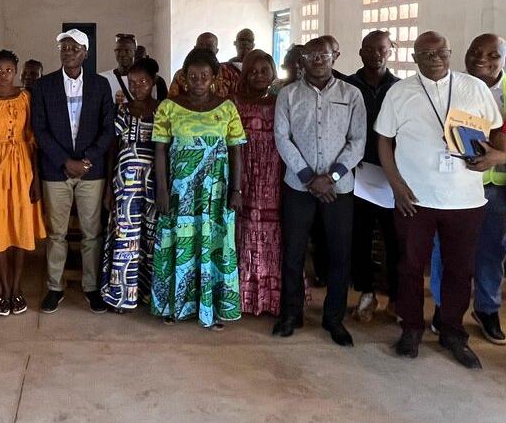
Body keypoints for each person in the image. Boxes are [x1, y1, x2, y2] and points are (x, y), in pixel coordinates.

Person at [376, 31, 506, 369]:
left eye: (442, 51)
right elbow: (384, 141)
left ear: (450, 53)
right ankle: (411, 328)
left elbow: (498, 130)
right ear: (415, 56)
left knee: (460, 270)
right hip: (414, 198)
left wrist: (496, 156)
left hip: (465, 199)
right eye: (427, 52)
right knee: (409, 267)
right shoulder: (400, 92)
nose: (435, 57)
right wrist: (396, 184)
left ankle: (452, 331)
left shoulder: (474, 88)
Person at [428, 34, 506, 344]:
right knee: (446, 249)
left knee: (493, 250)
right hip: (455, 183)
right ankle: (445, 307)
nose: (482, 59)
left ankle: (487, 308)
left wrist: (500, 156)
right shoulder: (449, 86)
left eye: (493, 54)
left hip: (497, 186)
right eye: (475, 52)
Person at [272, 37, 366, 346]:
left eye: (323, 55)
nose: (317, 60)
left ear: (335, 56)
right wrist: (309, 177)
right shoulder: (287, 95)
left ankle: (333, 318)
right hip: (299, 186)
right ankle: (290, 314)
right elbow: (282, 138)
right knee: (293, 252)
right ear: (301, 59)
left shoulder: (351, 95)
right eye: (311, 55)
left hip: (339, 189)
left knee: (340, 254)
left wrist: (332, 176)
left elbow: (357, 141)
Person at [151, 48, 246, 329]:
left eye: (204, 75)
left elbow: (236, 151)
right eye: (193, 76)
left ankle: (213, 308)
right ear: (184, 76)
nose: (198, 81)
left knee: (213, 246)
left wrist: (236, 190)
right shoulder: (168, 107)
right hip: (180, 192)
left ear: (214, 77)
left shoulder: (227, 107)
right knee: (177, 246)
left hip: (215, 193)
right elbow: (160, 151)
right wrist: (162, 190)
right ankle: (173, 305)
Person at [31, 29, 116, 314]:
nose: (68, 51)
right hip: (56, 171)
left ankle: (91, 288)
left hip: (91, 172)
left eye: (75, 47)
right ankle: (55, 287)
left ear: (85, 54)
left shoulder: (101, 85)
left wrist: (87, 160)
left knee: (92, 233)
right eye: (64, 47)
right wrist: (65, 161)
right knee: (57, 234)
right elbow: (39, 130)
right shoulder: (43, 86)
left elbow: (108, 129)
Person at [0, 50, 46, 316]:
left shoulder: (26, 98)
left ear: (16, 71)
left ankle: (17, 288)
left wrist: (35, 176)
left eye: (9, 70)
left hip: (23, 166)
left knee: (20, 227)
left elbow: (33, 137)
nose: (4, 75)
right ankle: (4, 290)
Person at [343, 30, 400, 323]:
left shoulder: (400, 88)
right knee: (360, 236)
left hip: (392, 176)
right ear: (361, 52)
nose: (377, 55)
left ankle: (396, 297)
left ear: (390, 51)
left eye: (383, 49)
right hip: (357, 173)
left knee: (395, 239)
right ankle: (366, 292)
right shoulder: (347, 86)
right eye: (371, 49)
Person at [100, 57, 160, 312]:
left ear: (153, 82)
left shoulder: (163, 110)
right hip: (125, 183)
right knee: (126, 237)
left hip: (154, 183)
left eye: (143, 82)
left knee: (151, 238)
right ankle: (122, 296)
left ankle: (148, 296)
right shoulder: (122, 111)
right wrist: (107, 187)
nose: (137, 87)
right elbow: (112, 149)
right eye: (132, 83)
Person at [232, 49, 284, 317]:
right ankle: (243, 296)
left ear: (273, 73)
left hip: (273, 174)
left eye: (264, 70)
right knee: (244, 230)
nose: (258, 76)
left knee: (273, 234)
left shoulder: (281, 102)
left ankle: (270, 297)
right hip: (243, 172)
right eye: (252, 71)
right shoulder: (233, 102)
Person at [100, 33, 167, 104]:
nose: (122, 54)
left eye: (127, 51)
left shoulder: (153, 80)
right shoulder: (103, 79)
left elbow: (164, 108)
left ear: (135, 52)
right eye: (118, 50)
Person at [168, 32, 240, 97]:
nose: (204, 49)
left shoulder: (229, 73)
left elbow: (237, 101)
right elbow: (172, 102)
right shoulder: (181, 74)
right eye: (201, 45)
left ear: (216, 51)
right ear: (195, 48)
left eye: (209, 46)